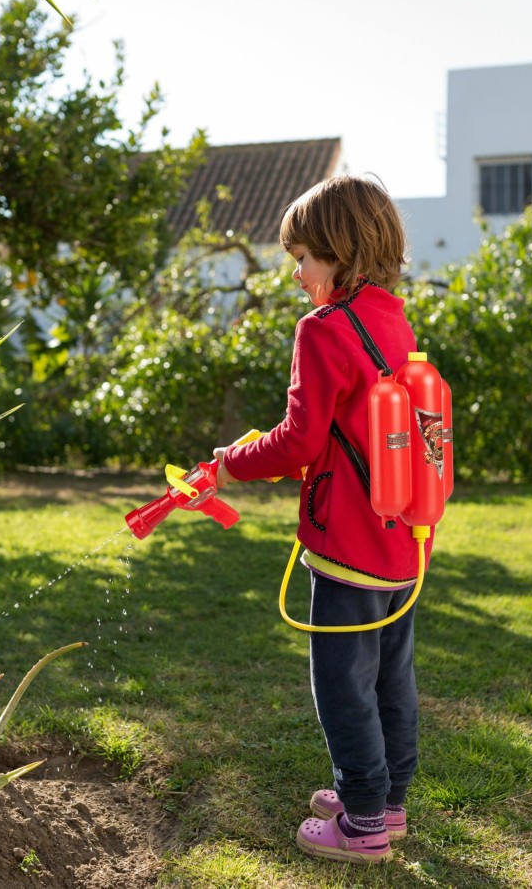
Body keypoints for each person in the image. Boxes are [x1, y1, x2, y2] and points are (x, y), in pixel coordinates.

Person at [213, 174, 433, 865]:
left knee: (342, 685)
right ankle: (387, 803)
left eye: (305, 256)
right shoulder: (395, 321)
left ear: (342, 252)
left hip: (346, 546)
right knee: (391, 680)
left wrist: (231, 464)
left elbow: (301, 442)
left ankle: (362, 820)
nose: (299, 273)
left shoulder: (323, 330)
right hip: (403, 542)